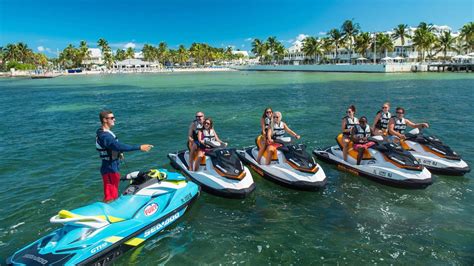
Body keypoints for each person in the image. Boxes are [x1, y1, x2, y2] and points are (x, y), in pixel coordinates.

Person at [96, 110, 153, 202]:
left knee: (111, 193)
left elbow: (111, 147)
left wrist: (119, 153)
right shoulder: (105, 136)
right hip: (110, 169)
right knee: (110, 196)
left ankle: (109, 208)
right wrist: (139, 147)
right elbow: (117, 145)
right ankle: (108, 212)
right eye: (112, 118)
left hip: (110, 166)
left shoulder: (102, 132)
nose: (114, 119)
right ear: (105, 120)